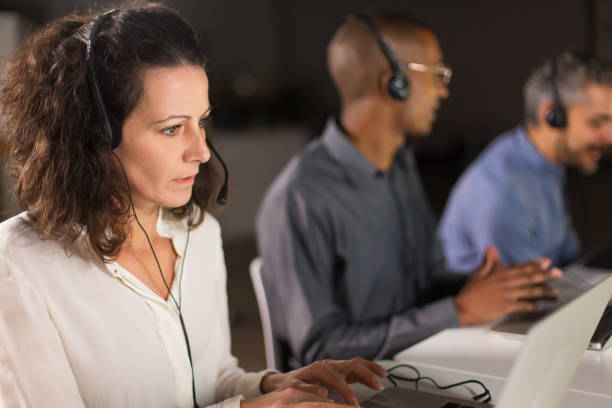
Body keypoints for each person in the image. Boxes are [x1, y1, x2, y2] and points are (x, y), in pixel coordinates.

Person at [0, 3, 388, 407]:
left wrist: (273, 386)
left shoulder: (199, 232)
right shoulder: (18, 266)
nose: (201, 152)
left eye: (200, 122)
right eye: (171, 129)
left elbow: (211, 380)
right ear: (97, 134)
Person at [255, 11, 562, 370]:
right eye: (436, 75)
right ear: (394, 83)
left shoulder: (400, 165)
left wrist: (485, 289)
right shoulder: (300, 197)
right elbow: (317, 350)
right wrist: (460, 309)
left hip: (420, 364)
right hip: (358, 389)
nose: (444, 91)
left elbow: (425, 281)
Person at [438, 52, 612, 274]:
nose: (610, 137)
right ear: (552, 116)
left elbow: (568, 259)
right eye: (598, 122)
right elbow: (532, 296)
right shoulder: (503, 191)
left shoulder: (546, 167)